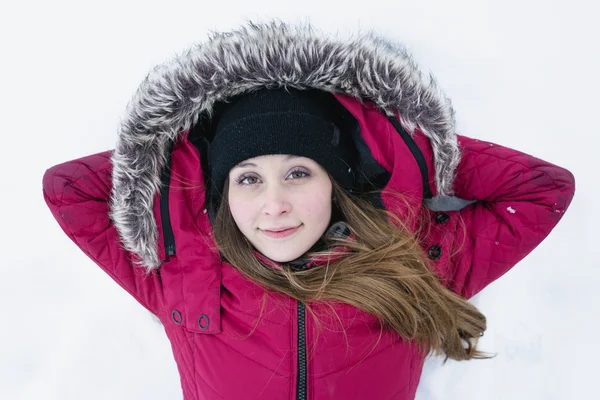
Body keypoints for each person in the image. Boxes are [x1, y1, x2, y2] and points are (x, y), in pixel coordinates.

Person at [42, 20, 575, 400]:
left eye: (299, 173)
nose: (274, 204)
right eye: (247, 178)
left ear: (337, 181)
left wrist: (402, 144)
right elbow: (67, 189)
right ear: (220, 192)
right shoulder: (185, 275)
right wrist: (183, 147)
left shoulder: (418, 263)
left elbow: (542, 190)